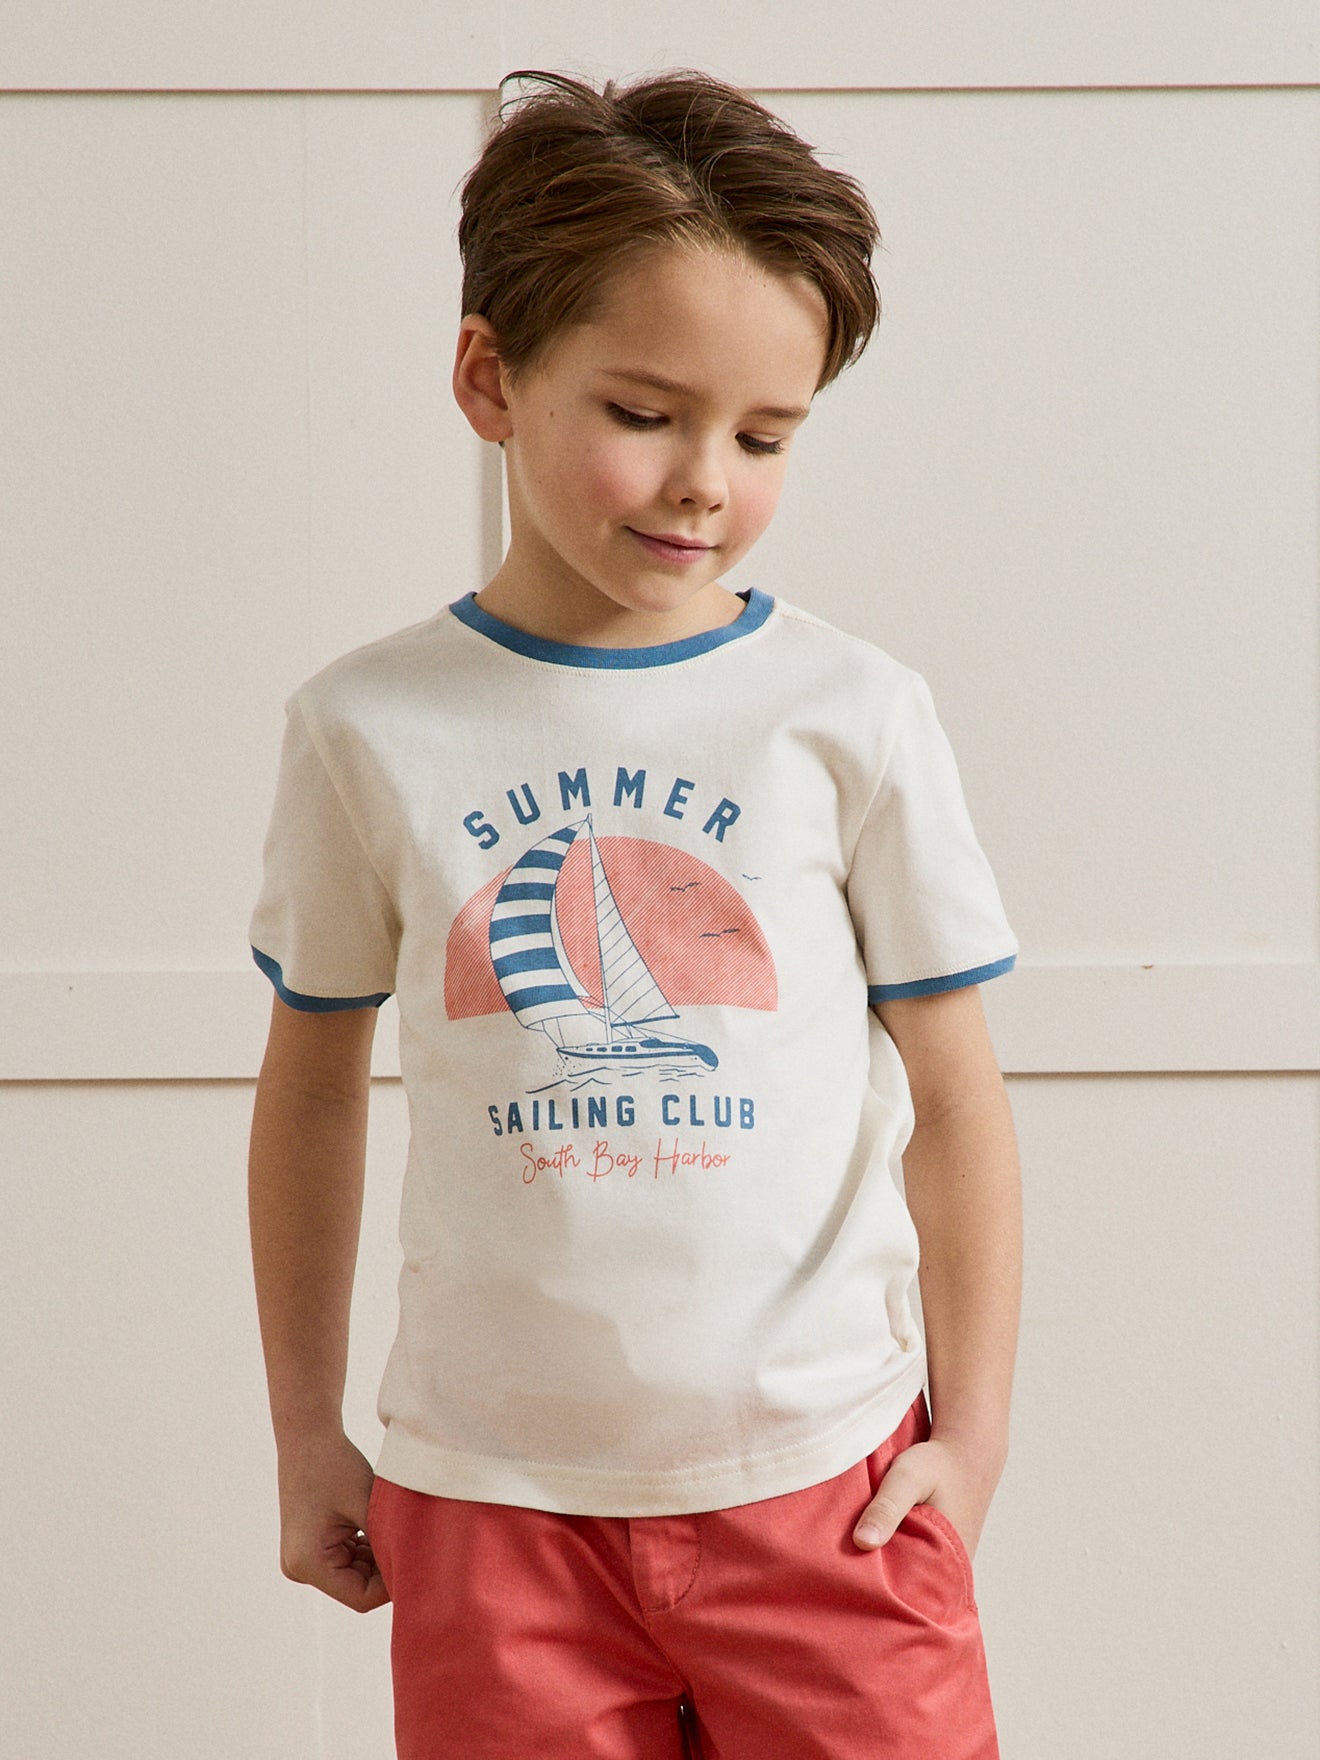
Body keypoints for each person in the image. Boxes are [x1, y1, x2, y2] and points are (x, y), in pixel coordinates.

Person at [248, 66, 1022, 1760]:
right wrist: (307, 1433)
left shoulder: (852, 715)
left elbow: (958, 1101)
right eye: (646, 413)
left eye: (764, 437)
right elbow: (310, 1091)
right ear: (489, 377)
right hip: (490, 1510)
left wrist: (972, 1439)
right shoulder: (366, 729)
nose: (703, 483)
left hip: (829, 1496)